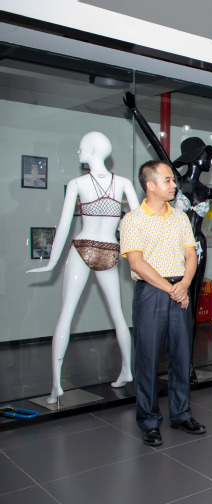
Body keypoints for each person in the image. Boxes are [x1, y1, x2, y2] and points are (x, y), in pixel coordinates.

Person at [124, 93, 212, 383]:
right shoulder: (176, 182)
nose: (209, 161)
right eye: (206, 155)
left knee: (192, 305)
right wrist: (136, 112)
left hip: (197, 245)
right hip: (173, 252)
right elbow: (155, 143)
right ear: (195, 158)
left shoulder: (203, 190)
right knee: (167, 314)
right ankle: (170, 371)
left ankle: (187, 366)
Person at [28, 132, 139, 405]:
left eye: (81, 149)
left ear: (91, 150)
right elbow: (136, 222)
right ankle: (127, 369)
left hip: (83, 247)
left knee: (66, 313)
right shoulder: (123, 182)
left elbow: (65, 225)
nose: (78, 153)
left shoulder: (77, 183)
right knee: (118, 313)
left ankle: (56, 385)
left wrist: (52, 262)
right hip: (110, 248)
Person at [119, 160, 205, 446]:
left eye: (172, 180)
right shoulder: (132, 219)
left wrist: (185, 284)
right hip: (152, 292)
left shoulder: (180, 217)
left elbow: (191, 255)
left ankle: (181, 414)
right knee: (148, 359)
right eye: (167, 180)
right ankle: (149, 421)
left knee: (182, 357)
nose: (174, 185)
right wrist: (172, 289)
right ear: (150, 185)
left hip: (180, 287)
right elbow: (136, 263)